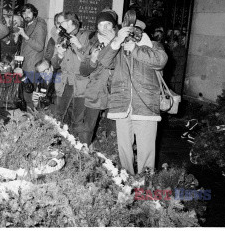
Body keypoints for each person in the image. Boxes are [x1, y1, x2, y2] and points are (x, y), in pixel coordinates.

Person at [100, 10, 168, 175]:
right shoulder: (119, 48)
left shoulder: (153, 45)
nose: (133, 34)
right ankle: (126, 180)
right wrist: (117, 41)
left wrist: (136, 49)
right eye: (129, 31)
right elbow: (104, 61)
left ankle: (146, 185)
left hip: (145, 106)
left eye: (136, 31)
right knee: (124, 148)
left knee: (146, 150)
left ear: (142, 32)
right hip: (122, 106)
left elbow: (160, 61)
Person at [79, 10, 118, 146]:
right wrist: (92, 61)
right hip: (95, 91)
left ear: (113, 26)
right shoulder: (91, 43)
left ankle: (112, 159)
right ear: (97, 27)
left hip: (116, 93)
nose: (105, 27)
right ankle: (83, 157)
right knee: (87, 128)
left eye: (108, 24)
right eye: (102, 24)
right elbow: (83, 71)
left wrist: (115, 41)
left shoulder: (121, 43)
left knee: (114, 130)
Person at [51, 11, 90, 135]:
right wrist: (60, 55)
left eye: (60, 22)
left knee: (77, 120)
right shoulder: (60, 38)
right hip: (64, 82)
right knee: (58, 117)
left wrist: (78, 46)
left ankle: (77, 150)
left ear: (69, 22)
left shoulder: (86, 36)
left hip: (80, 84)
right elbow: (54, 64)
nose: (58, 25)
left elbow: (91, 62)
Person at [18, 3, 47, 109]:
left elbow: (39, 46)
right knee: (27, 97)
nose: (26, 14)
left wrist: (25, 36)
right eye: (24, 12)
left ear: (34, 13)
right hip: (26, 66)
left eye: (29, 12)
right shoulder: (29, 25)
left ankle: (34, 122)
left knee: (32, 99)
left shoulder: (39, 25)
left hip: (33, 68)